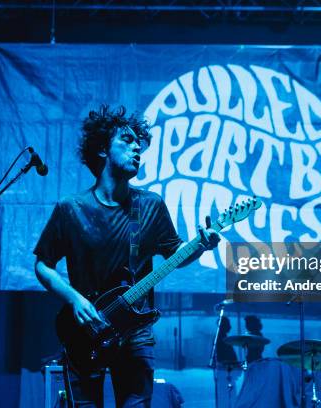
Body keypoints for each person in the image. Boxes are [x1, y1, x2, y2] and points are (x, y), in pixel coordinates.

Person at [33, 104, 220, 408]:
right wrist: (75, 299)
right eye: (127, 140)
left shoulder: (149, 205)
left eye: (139, 144)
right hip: (86, 328)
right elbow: (43, 265)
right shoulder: (71, 208)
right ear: (103, 149)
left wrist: (200, 245)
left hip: (135, 332)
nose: (137, 149)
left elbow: (176, 254)